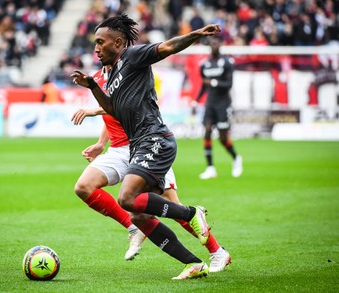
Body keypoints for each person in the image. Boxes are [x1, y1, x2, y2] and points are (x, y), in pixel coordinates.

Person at [71, 14, 223, 280]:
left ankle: (194, 216)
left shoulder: (132, 56)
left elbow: (166, 47)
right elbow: (113, 110)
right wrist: (94, 85)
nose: (95, 48)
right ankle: (193, 263)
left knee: (128, 199)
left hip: (155, 139)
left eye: (100, 42)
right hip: (139, 144)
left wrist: (196, 34)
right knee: (138, 214)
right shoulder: (114, 74)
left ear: (118, 43)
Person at [194, 37, 243, 180]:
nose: (214, 45)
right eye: (212, 43)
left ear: (220, 45)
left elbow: (229, 84)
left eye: (216, 43)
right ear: (210, 46)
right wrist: (196, 101)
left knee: (222, 138)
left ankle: (236, 157)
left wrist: (214, 82)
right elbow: (204, 85)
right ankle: (210, 168)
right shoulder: (205, 64)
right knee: (207, 131)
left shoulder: (227, 63)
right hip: (210, 104)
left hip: (223, 104)